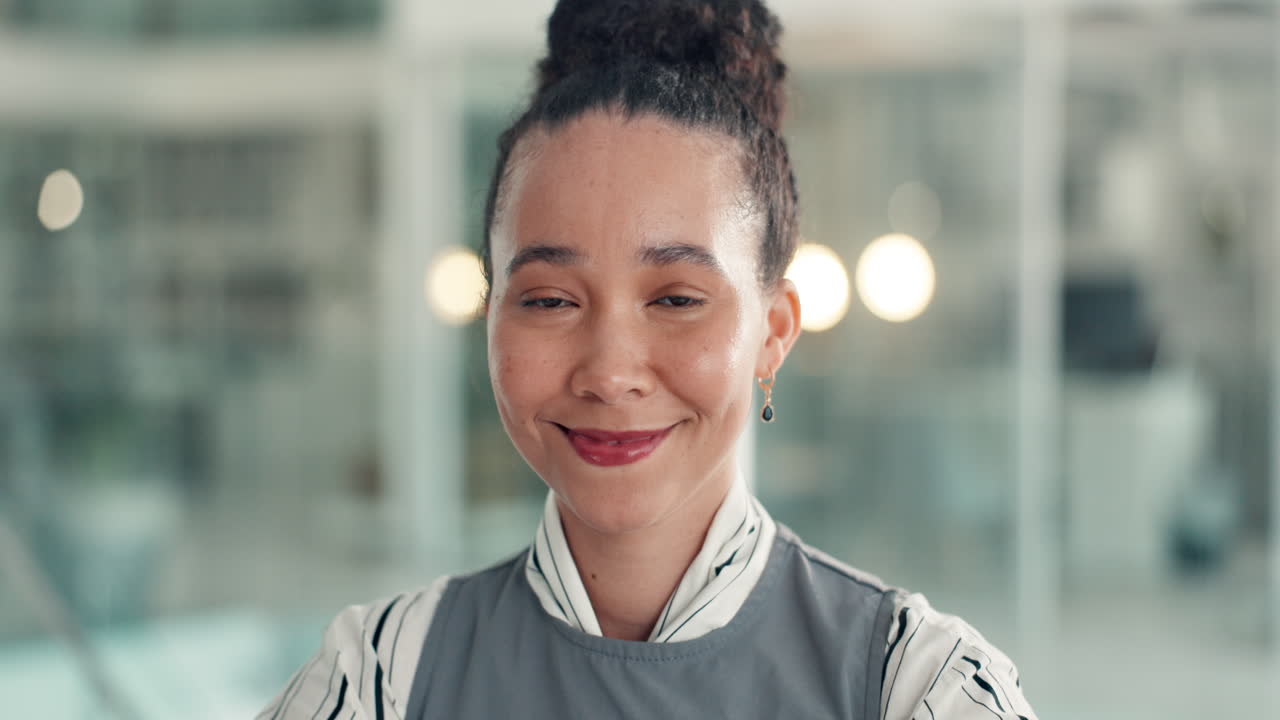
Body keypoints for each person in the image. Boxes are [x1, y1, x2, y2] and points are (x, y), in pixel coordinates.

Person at [258, 1, 1039, 717]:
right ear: (490, 313)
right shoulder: (380, 677)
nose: (609, 372)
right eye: (550, 300)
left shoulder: (916, 686)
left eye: (675, 299)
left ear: (773, 330)